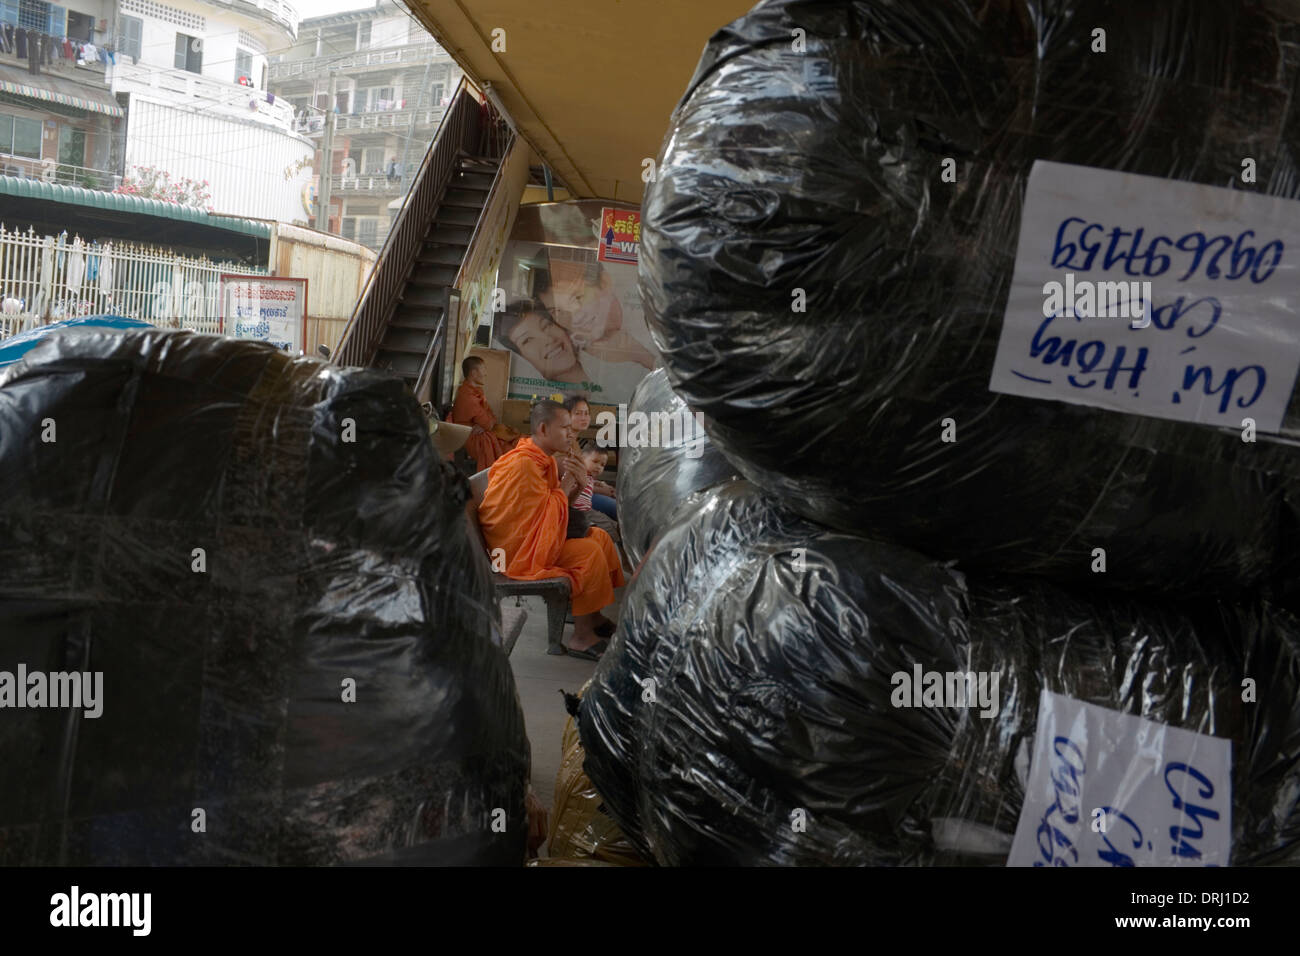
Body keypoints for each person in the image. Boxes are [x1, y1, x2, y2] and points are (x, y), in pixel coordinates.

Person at [477, 400, 625, 659]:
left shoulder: (541, 460)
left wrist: (577, 485)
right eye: (565, 427)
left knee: (599, 537)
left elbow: (550, 509)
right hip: (515, 552)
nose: (570, 433)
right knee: (588, 552)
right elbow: (541, 516)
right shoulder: (524, 465)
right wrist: (568, 483)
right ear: (544, 429)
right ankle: (581, 638)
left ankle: (592, 617)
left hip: (530, 537)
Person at [450, 355, 519, 470]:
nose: (485, 373)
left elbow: (491, 418)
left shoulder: (476, 392)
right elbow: (488, 423)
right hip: (473, 437)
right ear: (474, 373)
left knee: (516, 440)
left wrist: (485, 425)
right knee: (511, 450)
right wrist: (486, 425)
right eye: (483, 369)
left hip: (481, 432)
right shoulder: (467, 397)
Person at [563, 395, 617, 521]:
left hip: (583, 493)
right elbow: (569, 479)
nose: (584, 418)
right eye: (578, 413)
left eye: (586, 413)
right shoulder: (562, 441)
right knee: (617, 509)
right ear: (565, 416)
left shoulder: (575, 444)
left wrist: (600, 486)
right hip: (573, 500)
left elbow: (582, 475)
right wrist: (601, 490)